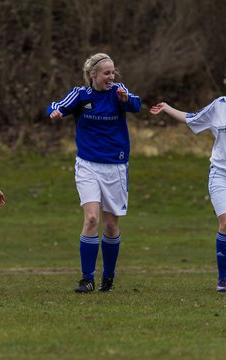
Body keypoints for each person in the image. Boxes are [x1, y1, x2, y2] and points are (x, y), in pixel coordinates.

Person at [47, 53, 141, 293]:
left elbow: (137, 105)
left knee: (110, 226)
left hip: (116, 166)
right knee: (91, 219)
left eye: (113, 72)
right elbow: (57, 105)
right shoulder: (81, 95)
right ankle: (86, 278)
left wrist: (125, 99)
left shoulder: (118, 91)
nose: (111, 77)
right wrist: (54, 113)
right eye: (106, 73)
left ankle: (107, 277)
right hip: (88, 165)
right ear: (93, 75)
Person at [150, 97, 226, 292]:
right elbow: (191, 119)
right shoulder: (220, 105)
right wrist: (167, 108)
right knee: (225, 223)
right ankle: (223, 279)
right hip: (220, 174)